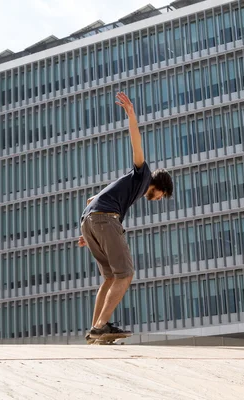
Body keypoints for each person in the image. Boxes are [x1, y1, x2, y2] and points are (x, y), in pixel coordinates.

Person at [78, 92, 173, 341]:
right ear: (159, 186)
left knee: (110, 276)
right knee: (125, 274)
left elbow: (91, 201)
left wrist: (87, 233)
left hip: (90, 221)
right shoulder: (143, 176)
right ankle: (101, 326)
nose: (159, 199)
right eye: (162, 195)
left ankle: (93, 330)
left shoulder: (127, 187)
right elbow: (137, 145)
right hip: (103, 220)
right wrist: (132, 116)